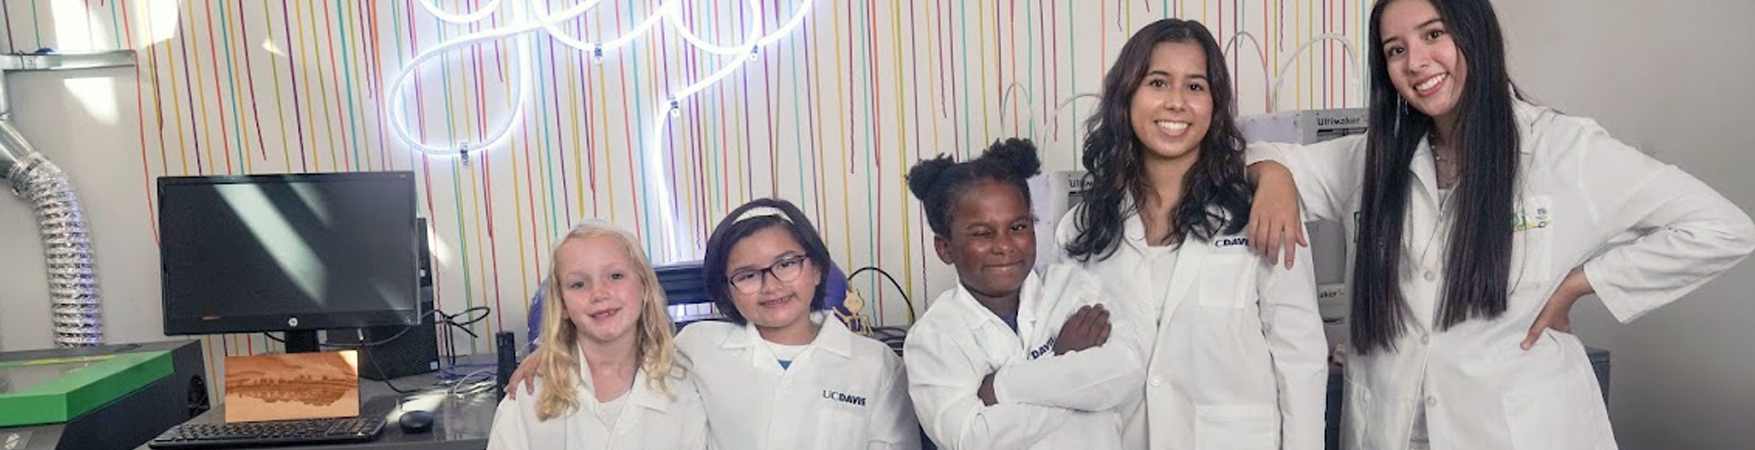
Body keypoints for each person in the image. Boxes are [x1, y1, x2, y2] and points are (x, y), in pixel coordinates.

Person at [1246, 0, 1755, 448]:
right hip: (1392, 428)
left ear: (1474, 34)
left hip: (1521, 431)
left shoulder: (1564, 150)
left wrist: (1583, 284)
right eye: (1395, 49)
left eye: (1433, 34)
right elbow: (1253, 151)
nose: (1416, 61)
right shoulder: (1372, 158)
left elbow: (1721, 228)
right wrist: (1271, 173)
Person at [1057, 18, 1327, 450]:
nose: (1176, 102)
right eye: (1158, 83)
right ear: (1126, 97)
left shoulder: (1260, 211)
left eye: (1195, 87)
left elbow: (1301, 357)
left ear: (1215, 106)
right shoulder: (1081, 229)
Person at [507, 200, 920, 450]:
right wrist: (551, 350)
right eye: (747, 274)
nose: (770, 284)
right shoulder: (701, 346)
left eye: (786, 264)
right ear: (727, 289)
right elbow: (624, 343)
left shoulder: (876, 365)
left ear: (816, 269)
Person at [903, 138, 1152, 450]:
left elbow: (1124, 373)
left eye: (1018, 227)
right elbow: (971, 437)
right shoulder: (934, 337)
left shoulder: (1074, 287)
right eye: (982, 233)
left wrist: (1000, 388)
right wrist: (1062, 362)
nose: (1005, 245)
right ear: (945, 247)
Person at [487, 221, 708, 450]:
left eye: (615, 276)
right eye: (579, 284)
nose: (599, 293)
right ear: (562, 304)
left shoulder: (685, 386)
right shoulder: (530, 395)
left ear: (644, 288)